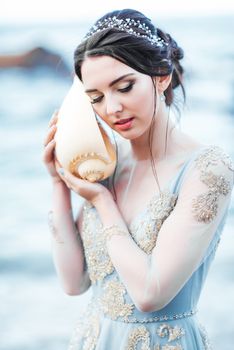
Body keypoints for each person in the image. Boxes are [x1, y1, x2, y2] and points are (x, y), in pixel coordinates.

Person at [43, 8, 234, 350]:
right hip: (93, 340)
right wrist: (59, 184)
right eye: (96, 98)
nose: (112, 108)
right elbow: (74, 282)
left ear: (161, 77)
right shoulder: (108, 165)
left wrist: (103, 201)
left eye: (125, 87)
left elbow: (149, 293)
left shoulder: (207, 169)